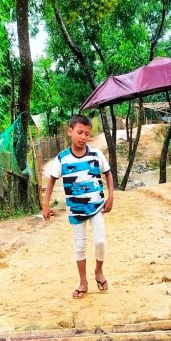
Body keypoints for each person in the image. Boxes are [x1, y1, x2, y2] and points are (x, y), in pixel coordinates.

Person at [41, 114, 115, 299]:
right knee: (79, 246)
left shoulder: (96, 155)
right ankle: (83, 282)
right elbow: (51, 180)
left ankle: (99, 271)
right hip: (75, 209)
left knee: (100, 241)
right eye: (80, 132)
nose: (83, 137)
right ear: (70, 131)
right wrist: (46, 205)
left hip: (96, 206)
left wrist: (111, 196)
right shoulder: (62, 158)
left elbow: (108, 173)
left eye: (87, 134)